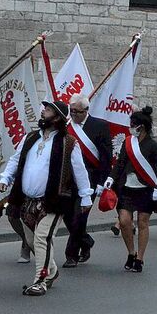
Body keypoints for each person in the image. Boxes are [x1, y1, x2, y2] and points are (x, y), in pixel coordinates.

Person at [0, 100, 93, 296]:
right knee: (32, 241)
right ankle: (52, 270)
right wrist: (5, 178)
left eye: (48, 110)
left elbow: (80, 171)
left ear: (57, 117)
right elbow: (16, 159)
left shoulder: (69, 143)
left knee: (42, 238)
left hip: (53, 201)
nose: (43, 112)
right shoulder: (30, 137)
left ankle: (41, 280)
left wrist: (85, 197)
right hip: (26, 201)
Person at [104, 106, 157, 272]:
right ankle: (131, 252)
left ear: (142, 127)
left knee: (142, 222)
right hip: (126, 188)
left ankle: (139, 258)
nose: (131, 127)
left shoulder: (152, 146)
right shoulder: (128, 142)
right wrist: (111, 177)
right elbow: (120, 163)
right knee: (124, 221)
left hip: (146, 189)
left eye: (134, 125)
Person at [63, 94, 112, 267]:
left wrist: (102, 182)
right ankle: (86, 241)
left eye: (77, 111)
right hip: (68, 178)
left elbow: (106, 157)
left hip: (90, 179)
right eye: (72, 111)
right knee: (67, 216)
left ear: (86, 110)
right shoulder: (66, 126)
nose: (74, 114)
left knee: (79, 216)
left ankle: (71, 255)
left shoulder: (99, 126)